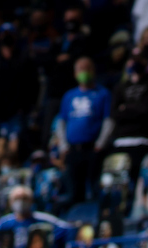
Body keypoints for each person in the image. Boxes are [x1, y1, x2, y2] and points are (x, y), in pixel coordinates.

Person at [56, 57, 113, 203]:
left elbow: (108, 121)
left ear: (93, 71)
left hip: (93, 148)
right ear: (75, 73)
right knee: (74, 192)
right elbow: (61, 122)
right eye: (80, 69)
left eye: (86, 68)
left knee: (95, 189)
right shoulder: (69, 96)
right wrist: (63, 146)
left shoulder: (102, 93)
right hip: (73, 149)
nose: (83, 72)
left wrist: (101, 144)